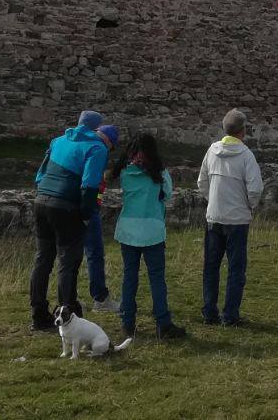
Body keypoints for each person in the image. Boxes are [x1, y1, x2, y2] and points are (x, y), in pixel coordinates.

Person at [28, 110, 112, 330]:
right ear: (97, 129)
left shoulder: (58, 141)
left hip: (41, 201)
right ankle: (69, 315)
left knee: (42, 260)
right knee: (68, 263)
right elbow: (90, 185)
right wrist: (86, 215)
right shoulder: (96, 148)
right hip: (66, 206)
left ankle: (38, 315)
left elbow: (40, 175)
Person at [113, 132, 188, 340]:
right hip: (152, 230)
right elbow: (168, 194)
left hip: (128, 229)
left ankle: (127, 322)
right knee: (157, 278)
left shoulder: (125, 172)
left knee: (130, 276)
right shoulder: (160, 173)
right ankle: (163, 323)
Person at [198, 108, 265, 326]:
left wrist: (213, 200)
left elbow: (202, 182)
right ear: (242, 131)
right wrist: (249, 207)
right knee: (236, 269)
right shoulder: (246, 156)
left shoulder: (212, 151)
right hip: (237, 219)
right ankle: (230, 315)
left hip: (214, 217)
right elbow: (255, 189)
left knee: (211, 266)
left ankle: (209, 311)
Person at [83, 123, 121, 313]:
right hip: (87, 208)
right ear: (109, 141)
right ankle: (100, 299)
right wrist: (91, 208)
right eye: (111, 147)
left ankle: (68, 300)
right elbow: (91, 183)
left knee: (68, 255)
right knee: (95, 253)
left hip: (66, 203)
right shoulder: (99, 149)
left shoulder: (77, 144)